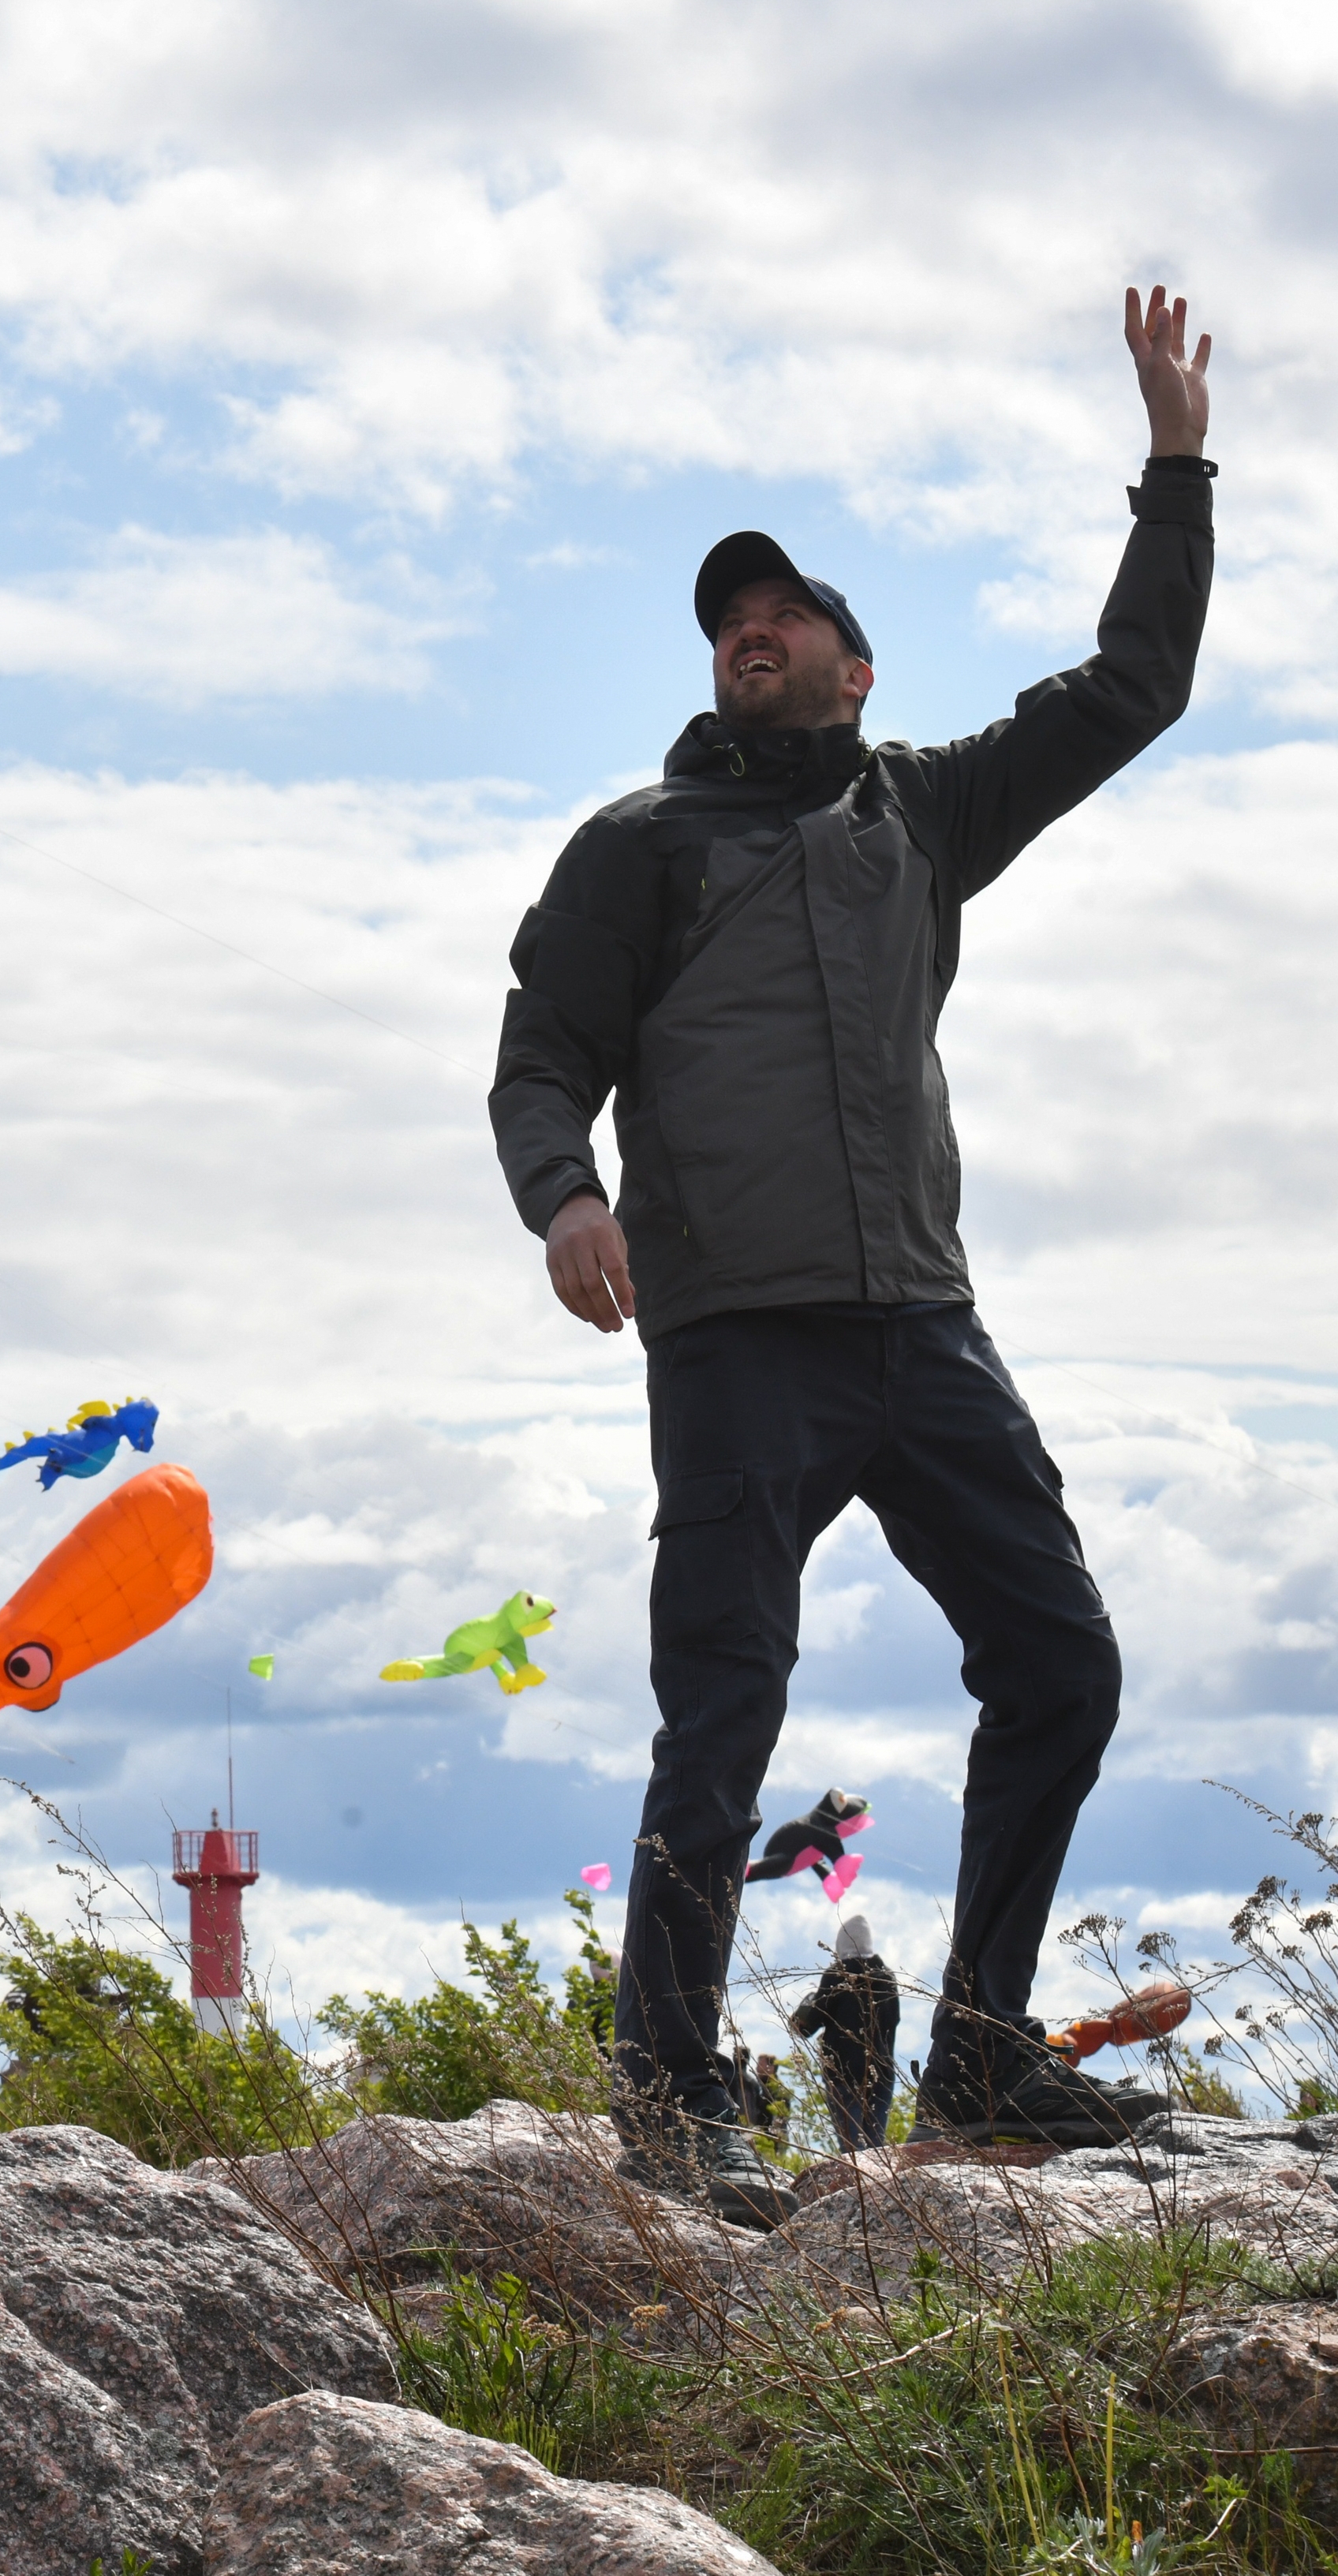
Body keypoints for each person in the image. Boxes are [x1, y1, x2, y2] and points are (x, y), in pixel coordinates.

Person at [488, 286, 1216, 2226]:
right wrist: (565, 1192)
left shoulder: (927, 816)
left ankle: (979, 2051)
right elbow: (541, 1053)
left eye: (783, 610)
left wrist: (1171, 460)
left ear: (854, 666)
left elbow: (1133, 684)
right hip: (735, 1340)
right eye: (729, 617)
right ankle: (664, 2090)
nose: (750, 627)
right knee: (721, 1707)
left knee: (1057, 1659)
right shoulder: (633, 845)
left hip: (922, 1325)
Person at [792, 1912, 903, 2155]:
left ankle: (857, 2192)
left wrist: (807, 2005)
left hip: (842, 2074)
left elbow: (805, 2026)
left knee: (852, 2150)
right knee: (876, 2149)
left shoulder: (837, 1975)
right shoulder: (888, 1979)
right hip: (882, 2072)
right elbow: (894, 2021)